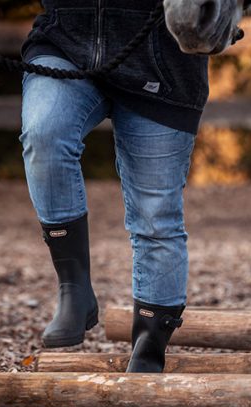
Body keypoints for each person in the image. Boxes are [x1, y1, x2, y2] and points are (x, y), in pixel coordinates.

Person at [20, 0, 209, 372]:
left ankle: (150, 342)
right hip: (67, 41)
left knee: (156, 214)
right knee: (45, 133)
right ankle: (74, 289)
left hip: (164, 61)